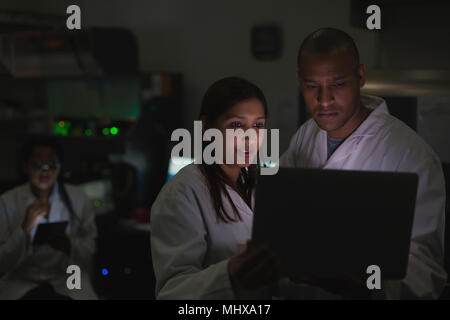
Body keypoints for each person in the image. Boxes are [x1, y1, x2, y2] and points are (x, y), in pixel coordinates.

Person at [280, 27, 447, 299]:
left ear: (360, 77)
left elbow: (425, 269)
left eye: (337, 84)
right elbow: (281, 212)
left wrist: (364, 286)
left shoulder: (412, 155)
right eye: (312, 87)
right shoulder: (304, 137)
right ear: (300, 81)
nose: (324, 99)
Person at [150, 77, 281, 299]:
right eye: (236, 125)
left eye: (258, 125)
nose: (250, 138)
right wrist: (229, 274)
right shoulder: (183, 193)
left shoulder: (258, 187)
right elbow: (172, 293)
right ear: (206, 126)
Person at [0, 137, 98, 299]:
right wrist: (25, 229)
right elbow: (3, 261)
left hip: (66, 275)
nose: (45, 171)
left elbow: (90, 247)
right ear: (25, 166)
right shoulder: (8, 202)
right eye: (38, 165)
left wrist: (68, 244)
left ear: (59, 167)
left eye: (51, 165)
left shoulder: (77, 198)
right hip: (22, 277)